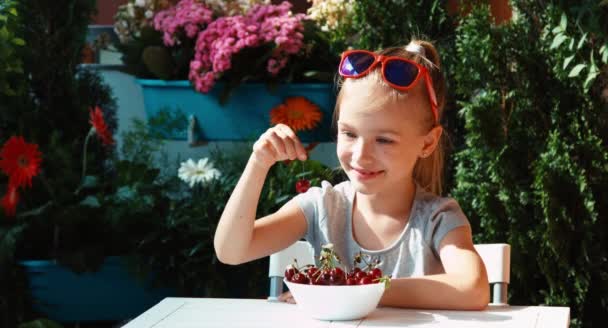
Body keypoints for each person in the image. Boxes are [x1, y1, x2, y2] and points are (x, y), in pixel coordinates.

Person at [214, 39, 489, 310]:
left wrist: (354, 289)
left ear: (427, 143)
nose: (361, 155)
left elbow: (472, 289)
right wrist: (258, 164)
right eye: (349, 133)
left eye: (384, 140)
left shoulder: (437, 218)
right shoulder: (321, 206)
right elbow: (231, 251)